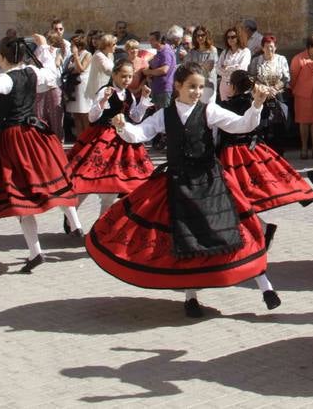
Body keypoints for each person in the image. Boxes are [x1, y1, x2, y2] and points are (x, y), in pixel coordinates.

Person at [86, 63, 277, 318]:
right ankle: (191, 297)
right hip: (178, 184)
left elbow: (241, 125)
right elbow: (139, 133)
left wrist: (257, 105)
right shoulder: (164, 115)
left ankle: (266, 287)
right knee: (186, 239)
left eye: (200, 87)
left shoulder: (208, 110)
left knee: (233, 231)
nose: (197, 92)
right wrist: (122, 126)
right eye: (192, 87)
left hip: (210, 182)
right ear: (178, 86)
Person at [0, 36, 83, 272]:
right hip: (36, 133)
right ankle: (75, 223)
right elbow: (52, 74)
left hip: (14, 138)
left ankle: (36, 251)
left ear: (1, 57)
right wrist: (44, 48)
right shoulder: (32, 72)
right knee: (54, 178)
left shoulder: (6, 78)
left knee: (20, 195)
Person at [215, 69, 313, 310]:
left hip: (232, 154)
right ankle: (261, 229)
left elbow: (223, 133)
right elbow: (265, 125)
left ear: (233, 86)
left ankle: (259, 230)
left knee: (235, 200)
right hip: (252, 150)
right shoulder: (254, 101)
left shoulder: (227, 105)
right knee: (249, 196)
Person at [65, 59, 155, 215]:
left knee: (113, 184)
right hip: (103, 138)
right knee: (89, 178)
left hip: (123, 138)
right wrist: (104, 100)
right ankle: (72, 213)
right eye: (123, 76)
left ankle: (102, 220)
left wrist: (144, 99)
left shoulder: (129, 94)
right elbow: (92, 117)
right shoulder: (105, 91)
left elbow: (135, 117)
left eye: (130, 76)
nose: (127, 80)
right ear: (114, 75)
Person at [289, 34, 313, 159]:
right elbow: (293, 78)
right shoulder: (298, 59)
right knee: (303, 122)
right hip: (302, 95)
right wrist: (295, 91)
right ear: (310, 47)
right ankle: (304, 148)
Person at [62, 34, 93, 139]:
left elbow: (81, 69)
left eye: (72, 45)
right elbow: (68, 69)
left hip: (82, 87)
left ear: (79, 46)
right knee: (76, 115)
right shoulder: (71, 57)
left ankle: (88, 139)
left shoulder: (87, 54)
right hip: (72, 87)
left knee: (84, 114)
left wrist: (76, 55)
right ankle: (79, 139)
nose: (71, 47)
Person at [143, 29, 179, 107]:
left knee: (163, 113)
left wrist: (148, 72)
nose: (150, 42)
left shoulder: (166, 52)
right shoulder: (160, 52)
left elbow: (164, 70)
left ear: (159, 40)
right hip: (158, 89)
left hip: (163, 89)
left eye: (152, 40)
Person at [217, 28, 251, 101]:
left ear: (238, 37)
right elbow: (217, 69)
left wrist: (226, 68)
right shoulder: (225, 52)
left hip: (238, 85)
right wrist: (234, 67)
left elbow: (241, 69)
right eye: (228, 37)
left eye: (233, 37)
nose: (230, 39)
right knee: (224, 106)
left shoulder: (245, 51)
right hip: (224, 85)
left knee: (237, 106)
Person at [190, 27, 219, 103]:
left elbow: (208, 67)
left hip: (208, 85)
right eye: (197, 36)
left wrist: (195, 66)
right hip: (196, 85)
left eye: (202, 35)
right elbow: (188, 67)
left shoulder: (212, 50)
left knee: (208, 108)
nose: (200, 38)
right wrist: (201, 65)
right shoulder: (192, 51)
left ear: (207, 36)